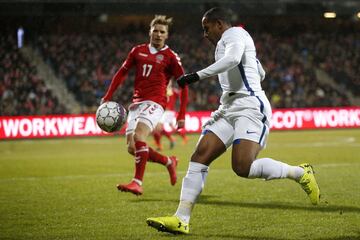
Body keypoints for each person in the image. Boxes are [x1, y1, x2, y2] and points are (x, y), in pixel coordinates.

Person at [146, 7, 320, 234]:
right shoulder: (222, 45)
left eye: (206, 28)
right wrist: (252, 65)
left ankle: (300, 173)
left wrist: (196, 75)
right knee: (199, 156)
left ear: (219, 24)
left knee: (242, 167)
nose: (204, 34)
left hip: (250, 107)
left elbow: (234, 59)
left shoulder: (235, 34)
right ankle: (181, 218)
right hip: (228, 109)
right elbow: (260, 71)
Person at [101, 15, 188, 196]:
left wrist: (181, 115)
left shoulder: (171, 57)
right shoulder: (137, 51)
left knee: (140, 135)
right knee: (132, 148)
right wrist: (108, 95)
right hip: (136, 103)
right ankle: (168, 161)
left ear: (167, 35)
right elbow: (121, 73)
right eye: (155, 30)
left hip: (156, 102)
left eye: (162, 32)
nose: (158, 34)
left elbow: (184, 85)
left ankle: (137, 182)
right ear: (150, 32)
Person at [153, 80, 188, 151]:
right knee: (167, 127)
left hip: (167, 112)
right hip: (164, 111)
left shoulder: (171, 91)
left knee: (157, 128)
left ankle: (164, 142)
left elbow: (182, 95)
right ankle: (179, 138)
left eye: (169, 82)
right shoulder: (164, 90)